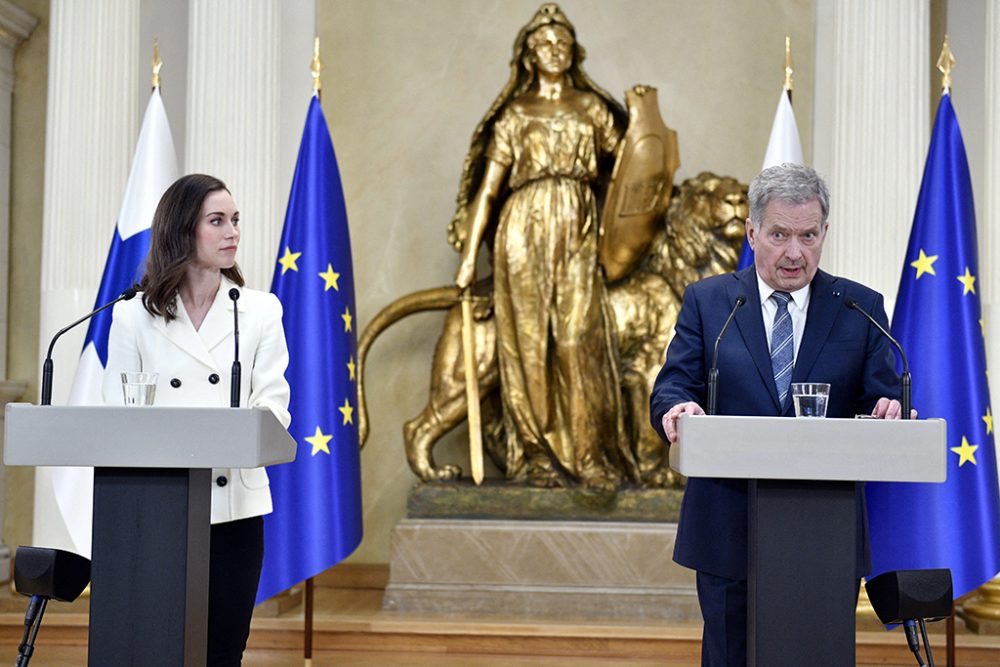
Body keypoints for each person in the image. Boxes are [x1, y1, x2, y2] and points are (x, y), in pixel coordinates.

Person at [649, 163, 906, 666]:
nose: (795, 252)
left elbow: (882, 399)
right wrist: (677, 405)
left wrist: (888, 409)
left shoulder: (859, 306)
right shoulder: (711, 302)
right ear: (752, 233)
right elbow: (674, 382)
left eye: (809, 235)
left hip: (823, 533)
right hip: (728, 525)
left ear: (824, 233)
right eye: (780, 235)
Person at [103, 173, 291, 666]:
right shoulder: (132, 315)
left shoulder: (260, 310)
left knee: (222, 651)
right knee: (154, 649)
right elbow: (117, 415)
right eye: (217, 221)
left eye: (235, 220)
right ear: (183, 230)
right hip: (157, 508)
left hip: (234, 510)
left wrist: (228, 437)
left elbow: (274, 406)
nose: (232, 232)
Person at [453, 2, 637, 490]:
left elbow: (632, 170)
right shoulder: (516, 114)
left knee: (579, 340)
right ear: (529, 55)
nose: (553, 50)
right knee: (527, 342)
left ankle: (589, 453)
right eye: (543, 43)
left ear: (573, 52)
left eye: (561, 42)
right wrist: (470, 256)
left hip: (578, 222)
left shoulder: (591, 108)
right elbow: (489, 190)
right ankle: (535, 452)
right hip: (522, 227)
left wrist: (644, 121)